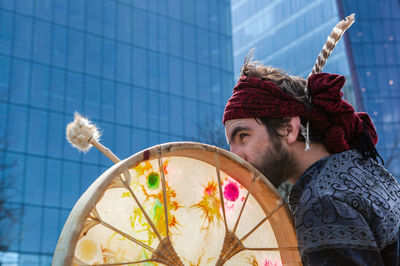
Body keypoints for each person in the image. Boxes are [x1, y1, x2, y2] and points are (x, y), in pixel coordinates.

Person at [223, 57, 400, 265]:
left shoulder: (322, 203)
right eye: (230, 145)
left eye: (243, 136)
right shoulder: (366, 172)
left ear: (289, 128)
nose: (235, 156)